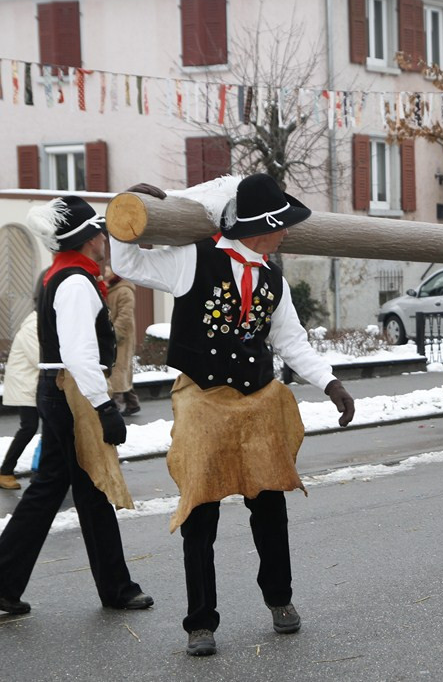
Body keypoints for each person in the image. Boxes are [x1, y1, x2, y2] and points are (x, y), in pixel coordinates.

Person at [111, 175, 355, 656]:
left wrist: (330, 382)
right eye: (282, 225)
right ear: (263, 225)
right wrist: (129, 208)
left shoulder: (272, 276)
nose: (287, 232)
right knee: (199, 514)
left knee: (270, 507)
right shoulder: (193, 256)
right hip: (203, 399)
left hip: (258, 399)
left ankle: (279, 599)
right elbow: (129, 263)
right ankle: (200, 622)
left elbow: (291, 341)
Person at [0, 195, 152, 615]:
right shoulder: (75, 282)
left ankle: (8, 580)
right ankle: (117, 589)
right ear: (89, 238)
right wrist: (105, 407)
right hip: (72, 390)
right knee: (87, 487)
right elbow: (80, 354)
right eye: (101, 231)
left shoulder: (65, 275)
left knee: (61, 489)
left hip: (60, 387)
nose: (105, 237)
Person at [0, 298, 40, 490]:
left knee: (50, 427)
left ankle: (44, 470)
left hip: (34, 384)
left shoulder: (41, 323)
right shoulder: (33, 327)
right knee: (29, 427)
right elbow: (39, 358)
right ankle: (5, 471)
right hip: (26, 385)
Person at [105, 263, 141, 416]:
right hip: (114, 335)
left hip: (121, 338)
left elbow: (124, 317)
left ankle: (116, 407)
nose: (105, 271)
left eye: (108, 269)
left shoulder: (125, 291)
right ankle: (133, 404)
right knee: (122, 371)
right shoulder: (112, 288)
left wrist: (113, 335)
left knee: (118, 371)